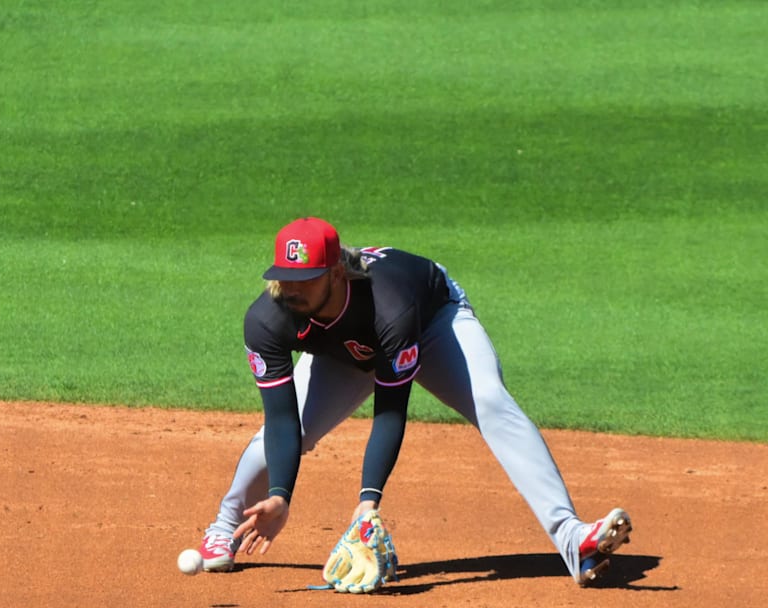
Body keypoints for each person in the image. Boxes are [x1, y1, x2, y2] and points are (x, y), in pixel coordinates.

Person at [194, 217, 632, 585]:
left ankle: (573, 539)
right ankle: (224, 525)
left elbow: (389, 412)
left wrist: (368, 502)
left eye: (304, 280)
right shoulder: (267, 321)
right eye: (284, 278)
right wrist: (280, 496)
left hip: (432, 323)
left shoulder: (392, 306)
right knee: (287, 434)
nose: (291, 291)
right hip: (341, 352)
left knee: (491, 402)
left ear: (335, 273)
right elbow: (283, 419)